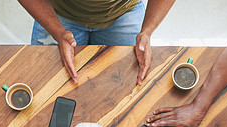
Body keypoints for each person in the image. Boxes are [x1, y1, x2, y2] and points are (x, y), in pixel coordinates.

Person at [17, 0, 175, 85]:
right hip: (57, 13)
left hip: (124, 13)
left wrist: (146, 31)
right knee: (46, 85)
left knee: (127, 86)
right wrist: (57, 32)